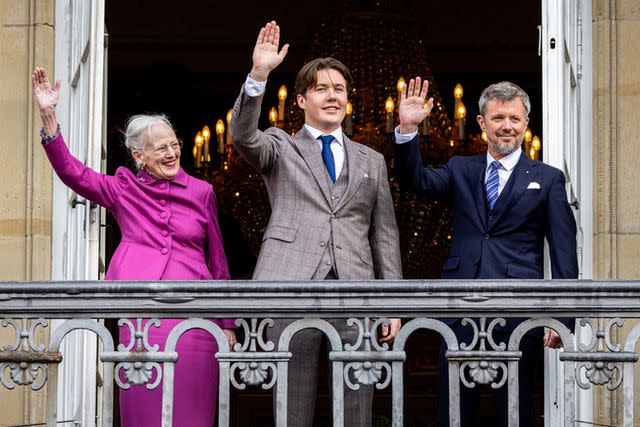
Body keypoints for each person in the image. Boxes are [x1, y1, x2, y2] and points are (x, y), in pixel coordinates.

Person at [31, 67, 236, 427]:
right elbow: (73, 173)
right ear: (139, 156)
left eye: (175, 145)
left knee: (194, 410)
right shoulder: (123, 188)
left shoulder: (202, 192)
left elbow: (217, 261)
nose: (172, 153)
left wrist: (228, 322)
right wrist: (50, 118)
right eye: (161, 148)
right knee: (145, 408)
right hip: (142, 312)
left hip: (197, 314)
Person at [230, 21, 402, 427]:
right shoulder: (280, 145)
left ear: (348, 100)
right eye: (322, 89)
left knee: (358, 408)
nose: (332, 96)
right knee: (292, 407)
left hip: (357, 291)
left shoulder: (370, 160)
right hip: (291, 288)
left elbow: (385, 235)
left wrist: (394, 302)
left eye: (339, 89)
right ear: (302, 99)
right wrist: (259, 75)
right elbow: (241, 135)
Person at [393, 78, 578, 427]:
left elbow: (563, 249)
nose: (506, 126)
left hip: (519, 313)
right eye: (497, 118)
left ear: (526, 124)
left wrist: (563, 316)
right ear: (481, 123)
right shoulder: (460, 169)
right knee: (454, 411)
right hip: (459, 308)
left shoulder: (548, 178)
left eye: (514, 118)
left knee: (514, 410)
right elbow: (415, 180)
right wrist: (407, 129)